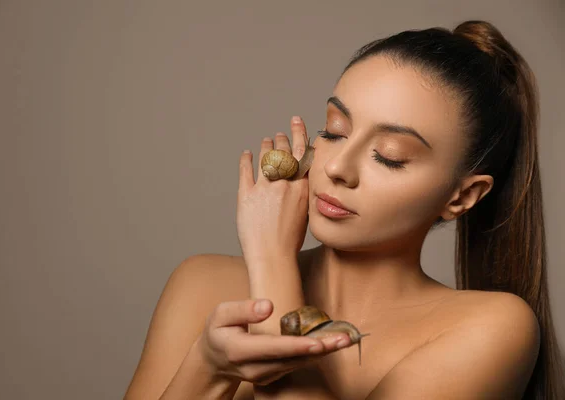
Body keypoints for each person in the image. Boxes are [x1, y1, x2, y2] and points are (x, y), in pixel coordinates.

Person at [124, 20, 565, 399]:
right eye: (334, 131)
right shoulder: (202, 284)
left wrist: (273, 263)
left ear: (461, 197)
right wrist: (208, 366)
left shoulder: (491, 328)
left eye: (389, 155)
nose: (336, 167)